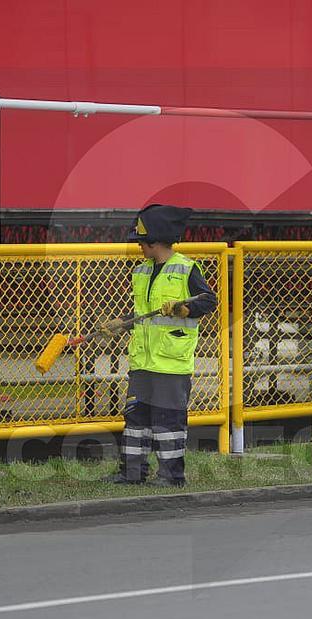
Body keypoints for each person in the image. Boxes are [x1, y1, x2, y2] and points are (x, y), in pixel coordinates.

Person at [98, 204, 217, 487]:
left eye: (141, 240)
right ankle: (132, 473)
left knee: (168, 423)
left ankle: (172, 476)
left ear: (155, 240)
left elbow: (208, 301)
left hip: (170, 363)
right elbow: (143, 314)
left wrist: (182, 309)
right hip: (142, 362)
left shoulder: (186, 269)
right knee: (136, 421)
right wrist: (121, 322)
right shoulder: (141, 271)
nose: (138, 246)